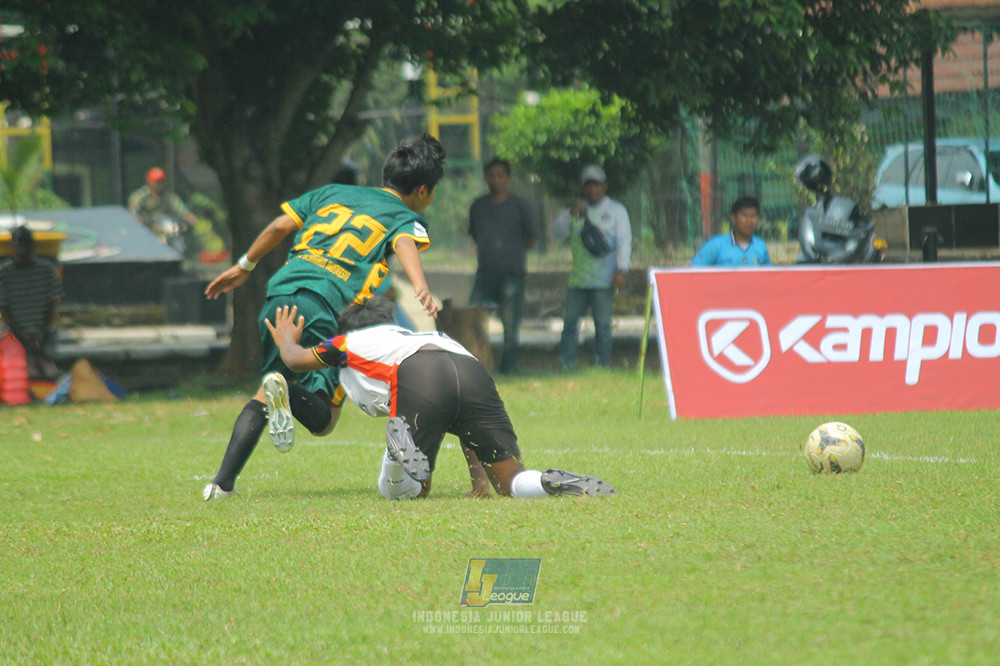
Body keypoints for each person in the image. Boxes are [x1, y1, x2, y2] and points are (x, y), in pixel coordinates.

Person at [201, 134, 446, 501]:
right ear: (424, 190)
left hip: (280, 295)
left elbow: (279, 227)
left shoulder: (332, 192)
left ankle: (220, 484)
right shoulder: (403, 215)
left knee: (268, 388)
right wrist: (420, 284)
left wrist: (244, 265)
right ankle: (287, 393)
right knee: (325, 420)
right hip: (326, 306)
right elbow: (404, 242)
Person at [265, 298, 616, 499]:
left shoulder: (348, 342)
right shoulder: (421, 335)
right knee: (510, 483)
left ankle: (394, 447)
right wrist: (480, 483)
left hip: (420, 374)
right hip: (470, 369)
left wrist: (285, 339)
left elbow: (296, 359)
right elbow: (465, 425)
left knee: (410, 492)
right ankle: (545, 483)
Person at [551, 164, 631, 370]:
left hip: (604, 280)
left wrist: (622, 270)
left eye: (597, 184)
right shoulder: (576, 210)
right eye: (588, 185)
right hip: (578, 280)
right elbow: (556, 233)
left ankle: (600, 364)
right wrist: (570, 214)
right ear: (583, 187)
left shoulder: (616, 211)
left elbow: (624, 241)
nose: (593, 189)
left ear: (604, 186)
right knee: (569, 324)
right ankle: (567, 363)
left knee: (603, 326)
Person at [468, 158, 537, 374]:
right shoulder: (478, 206)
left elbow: (532, 236)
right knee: (474, 320)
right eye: (492, 175)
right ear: (486, 178)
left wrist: (512, 253)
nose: (496, 180)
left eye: (500, 175)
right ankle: (476, 368)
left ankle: (509, 369)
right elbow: (474, 235)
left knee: (510, 326)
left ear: (508, 178)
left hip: (512, 276)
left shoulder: (519, 205)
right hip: (485, 275)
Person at [0, 226, 62, 380]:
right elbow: (5, 310)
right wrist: (22, 334)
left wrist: (41, 332)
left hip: (44, 331)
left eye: (26, 244)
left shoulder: (46, 270)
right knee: (30, 370)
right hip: (15, 333)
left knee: (48, 369)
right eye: (19, 244)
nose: (23, 249)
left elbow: (52, 305)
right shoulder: (5, 273)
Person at [691, 196, 771, 267]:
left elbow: (768, 276)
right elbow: (694, 271)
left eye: (753, 216)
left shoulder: (761, 246)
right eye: (744, 216)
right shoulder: (716, 245)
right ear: (733, 218)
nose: (749, 221)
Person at [127, 167, 198, 242]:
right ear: (149, 181)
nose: (160, 184)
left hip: (164, 228)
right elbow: (133, 216)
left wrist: (191, 218)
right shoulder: (139, 197)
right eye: (157, 182)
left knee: (177, 239)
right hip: (144, 230)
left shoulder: (167, 196)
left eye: (162, 181)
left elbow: (181, 209)